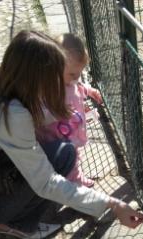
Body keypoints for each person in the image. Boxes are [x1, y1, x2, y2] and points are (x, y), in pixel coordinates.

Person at [0, 30, 143, 239]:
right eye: (53, 77)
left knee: (62, 151)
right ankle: (16, 223)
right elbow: (46, 182)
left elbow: (28, 121)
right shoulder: (13, 115)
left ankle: (12, 211)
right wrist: (112, 204)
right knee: (61, 157)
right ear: (36, 77)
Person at [35, 33, 101, 188]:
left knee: (76, 154)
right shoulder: (48, 87)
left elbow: (78, 86)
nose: (76, 77)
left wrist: (89, 91)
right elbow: (39, 112)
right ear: (55, 66)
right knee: (71, 156)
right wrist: (56, 111)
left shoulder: (70, 79)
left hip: (71, 128)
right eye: (72, 74)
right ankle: (75, 182)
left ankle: (75, 175)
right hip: (57, 134)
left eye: (79, 73)